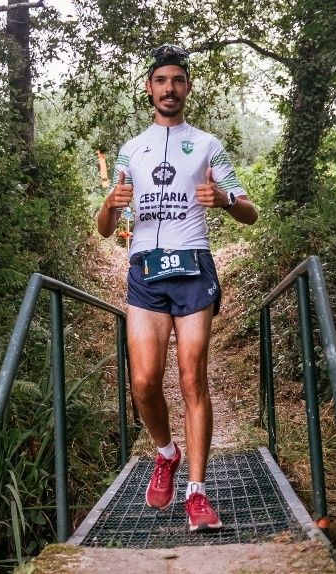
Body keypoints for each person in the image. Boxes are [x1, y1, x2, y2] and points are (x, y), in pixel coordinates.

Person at [96, 44, 258, 532]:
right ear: (149, 88)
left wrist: (225, 199)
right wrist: (110, 204)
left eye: (178, 80)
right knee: (144, 382)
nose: (170, 88)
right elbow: (106, 228)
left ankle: (197, 492)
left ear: (187, 87)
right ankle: (166, 452)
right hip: (145, 268)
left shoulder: (207, 144)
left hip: (193, 266)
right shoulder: (131, 149)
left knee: (192, 378)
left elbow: (250, 212)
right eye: (161, 80)